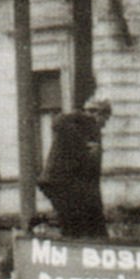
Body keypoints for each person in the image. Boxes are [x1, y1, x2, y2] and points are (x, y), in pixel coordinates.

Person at [38, 94, 112, 240]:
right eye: (105, 118)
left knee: (78, 227)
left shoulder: (79, 126)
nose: (105, 124)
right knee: (76, 229)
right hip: (64, 185)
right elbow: (59, 123)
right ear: (97, 113)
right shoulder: (87, 126)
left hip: (62, 185)